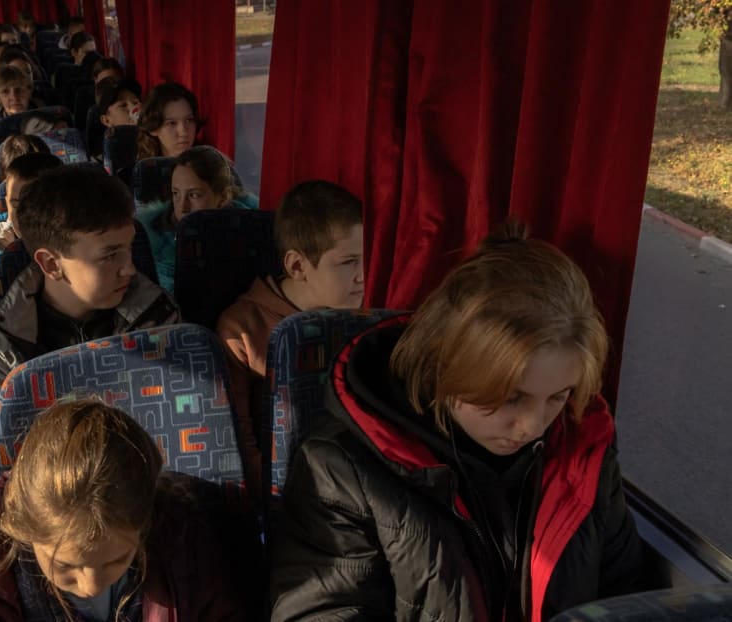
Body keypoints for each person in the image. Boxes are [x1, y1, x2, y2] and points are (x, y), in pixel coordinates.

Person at [269, 222, 646, 622]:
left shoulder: (583, 455)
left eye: (559, 396)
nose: (533, 427)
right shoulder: (341, 470)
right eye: (510, 397)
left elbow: (626, 598)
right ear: (443, 367)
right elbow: (322, 612)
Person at [0, 398, 250, 620]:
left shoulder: (185, 542)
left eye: (116, 560)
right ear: (25, 530)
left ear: (145, 523)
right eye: (67, 567)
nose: (91, 586)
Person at [0, 166, 180, 406]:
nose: (130, 269)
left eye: (129, 249)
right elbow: (11, 442)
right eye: (110, 255)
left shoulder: (159, 316)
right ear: (51, 264)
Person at [216, 179, 364, 497]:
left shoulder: (361, 319)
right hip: (290, 492)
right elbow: (239, 443)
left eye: (365, 259)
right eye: (349, 262)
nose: (362, 275)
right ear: (297, 266)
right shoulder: (241, 330)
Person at [136, 145, 258, 293]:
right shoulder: (149, 239)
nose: (182, 207)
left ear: (223, 198)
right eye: (176, 193)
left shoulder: (252, 235)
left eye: (194, 195)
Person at [0, 152, 62, 264]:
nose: (22, 215)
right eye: (15, 204)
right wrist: (11, 254)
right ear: (7, 203)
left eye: (34, 206)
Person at [137, 82, 203, 160]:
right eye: (172, 123)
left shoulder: (212, 166)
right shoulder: (141, 170)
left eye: (189, 120)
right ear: (153, 129)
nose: (183, 132)